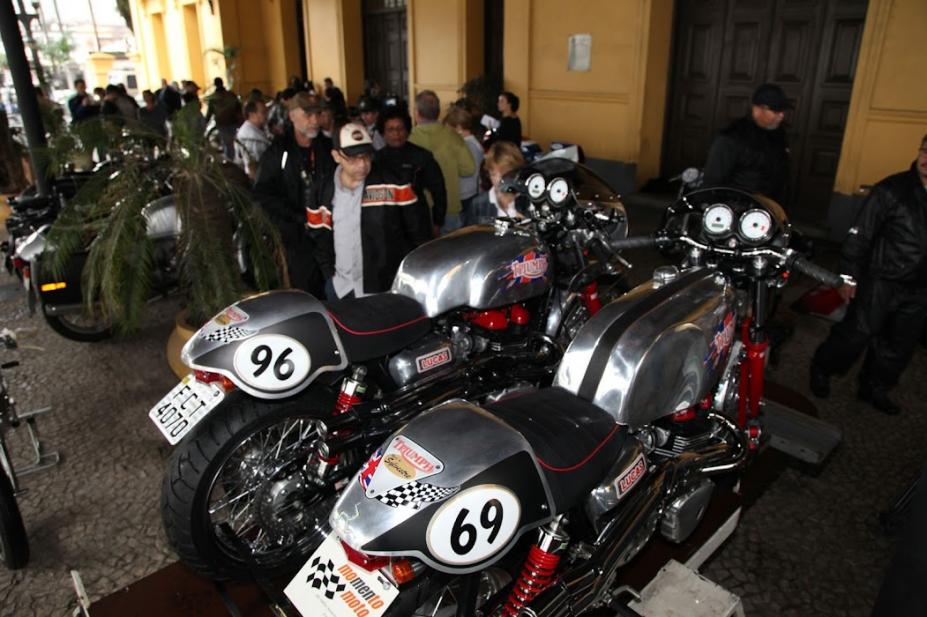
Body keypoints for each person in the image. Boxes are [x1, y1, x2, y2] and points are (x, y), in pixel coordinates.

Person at [809, 135, 927, 415]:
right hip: (881, 281)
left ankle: (874, 386)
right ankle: (822, 368)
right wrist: (848, 277)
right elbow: (859, 236)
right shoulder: (891, 190)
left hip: (920, 288)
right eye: (925, 151)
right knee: (856, 334)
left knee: (898, 344)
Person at [306, 123, 431, 300]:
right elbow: (318, 237)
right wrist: (329, 275)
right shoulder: (322, 191)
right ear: (336, 156)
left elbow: (418, 233)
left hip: (384, 289)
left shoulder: (394, 184)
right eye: (353, 159)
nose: (362, 165)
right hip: (340, 288)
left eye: (366, 156)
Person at [253, 92, 334, 295]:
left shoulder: (328, 147)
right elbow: (262, 193)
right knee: (305, 292)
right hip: (295, 238)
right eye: (308, 114)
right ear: (292, 116)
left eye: (317, 114)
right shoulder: (278, 151)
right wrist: (297, 217)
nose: (314, 121)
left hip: (328, 235)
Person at [702, 83, 791, 204]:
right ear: (759, 109)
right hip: (737, 207)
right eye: (776, 111)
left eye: (783, 111)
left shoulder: (778, 134)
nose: (781, 116)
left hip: (770, 207)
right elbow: (712, 180)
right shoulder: (732, 137)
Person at [409, 90, 475, 234]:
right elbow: (469, 169)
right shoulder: (453, 136)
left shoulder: (409, 139)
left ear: (417, 112)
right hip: (450, 207)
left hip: (417, 208)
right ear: (438, 112)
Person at [375, 106, 447, 236]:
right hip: (386, 225)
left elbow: (439, 191)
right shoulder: (376, 160)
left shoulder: (422, 156)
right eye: (391, 130)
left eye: (400, 128)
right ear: (383, 133)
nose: (396, 134)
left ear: (407, 130)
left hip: (417, 223)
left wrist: (438, 222)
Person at [465, 141, 525, 226]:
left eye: (505, 174)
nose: (499, 180)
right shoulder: (478, 205)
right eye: (493, 174)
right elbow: (470, 233)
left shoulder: (527, 201)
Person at [444, 106, 484, 222]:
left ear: (458, 128)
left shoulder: (468, 146)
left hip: (466, 194)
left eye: (449, 129)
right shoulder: (471, 143)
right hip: (468, 192)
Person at [205, 77, 243, 160]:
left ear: (215, 85)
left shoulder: (213, 98)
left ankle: (229, 160)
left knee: (227, 143)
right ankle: (232, 159)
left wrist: (205, 122)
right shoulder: (231, 95)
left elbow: (210, 112)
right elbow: (239, 107)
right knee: (232, 142)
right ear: (222, 83)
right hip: (232, 121)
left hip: (221, 123)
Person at [234, 98, 270, 179]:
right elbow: (254, 169)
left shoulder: (255, 129)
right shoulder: (250, 138)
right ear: (252, 115)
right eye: (263, 112)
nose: (267, 114)